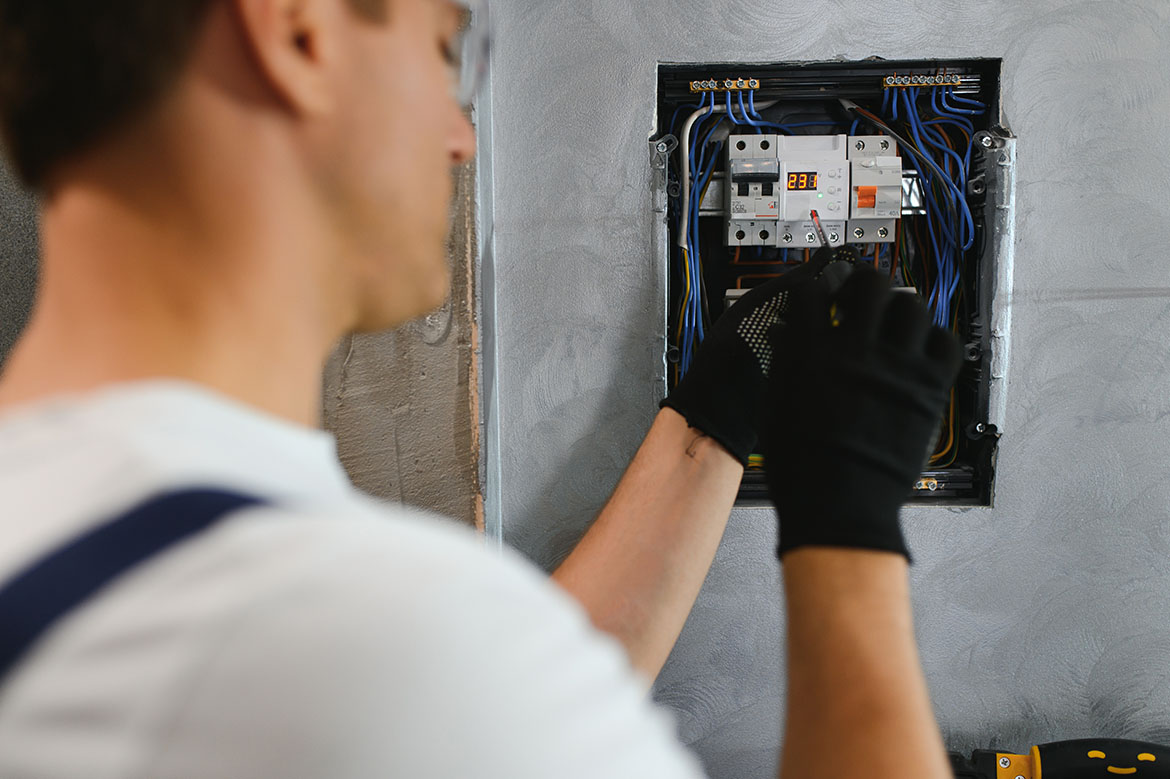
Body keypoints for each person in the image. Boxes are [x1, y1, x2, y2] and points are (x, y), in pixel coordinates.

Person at [0, 0, 961, 776]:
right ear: (298, 34)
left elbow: (510, 704)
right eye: (442, 48)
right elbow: (465, 685)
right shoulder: (370, 637)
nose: (462, 135)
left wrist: (718, 410)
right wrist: (850, 534)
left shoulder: (66, 517)